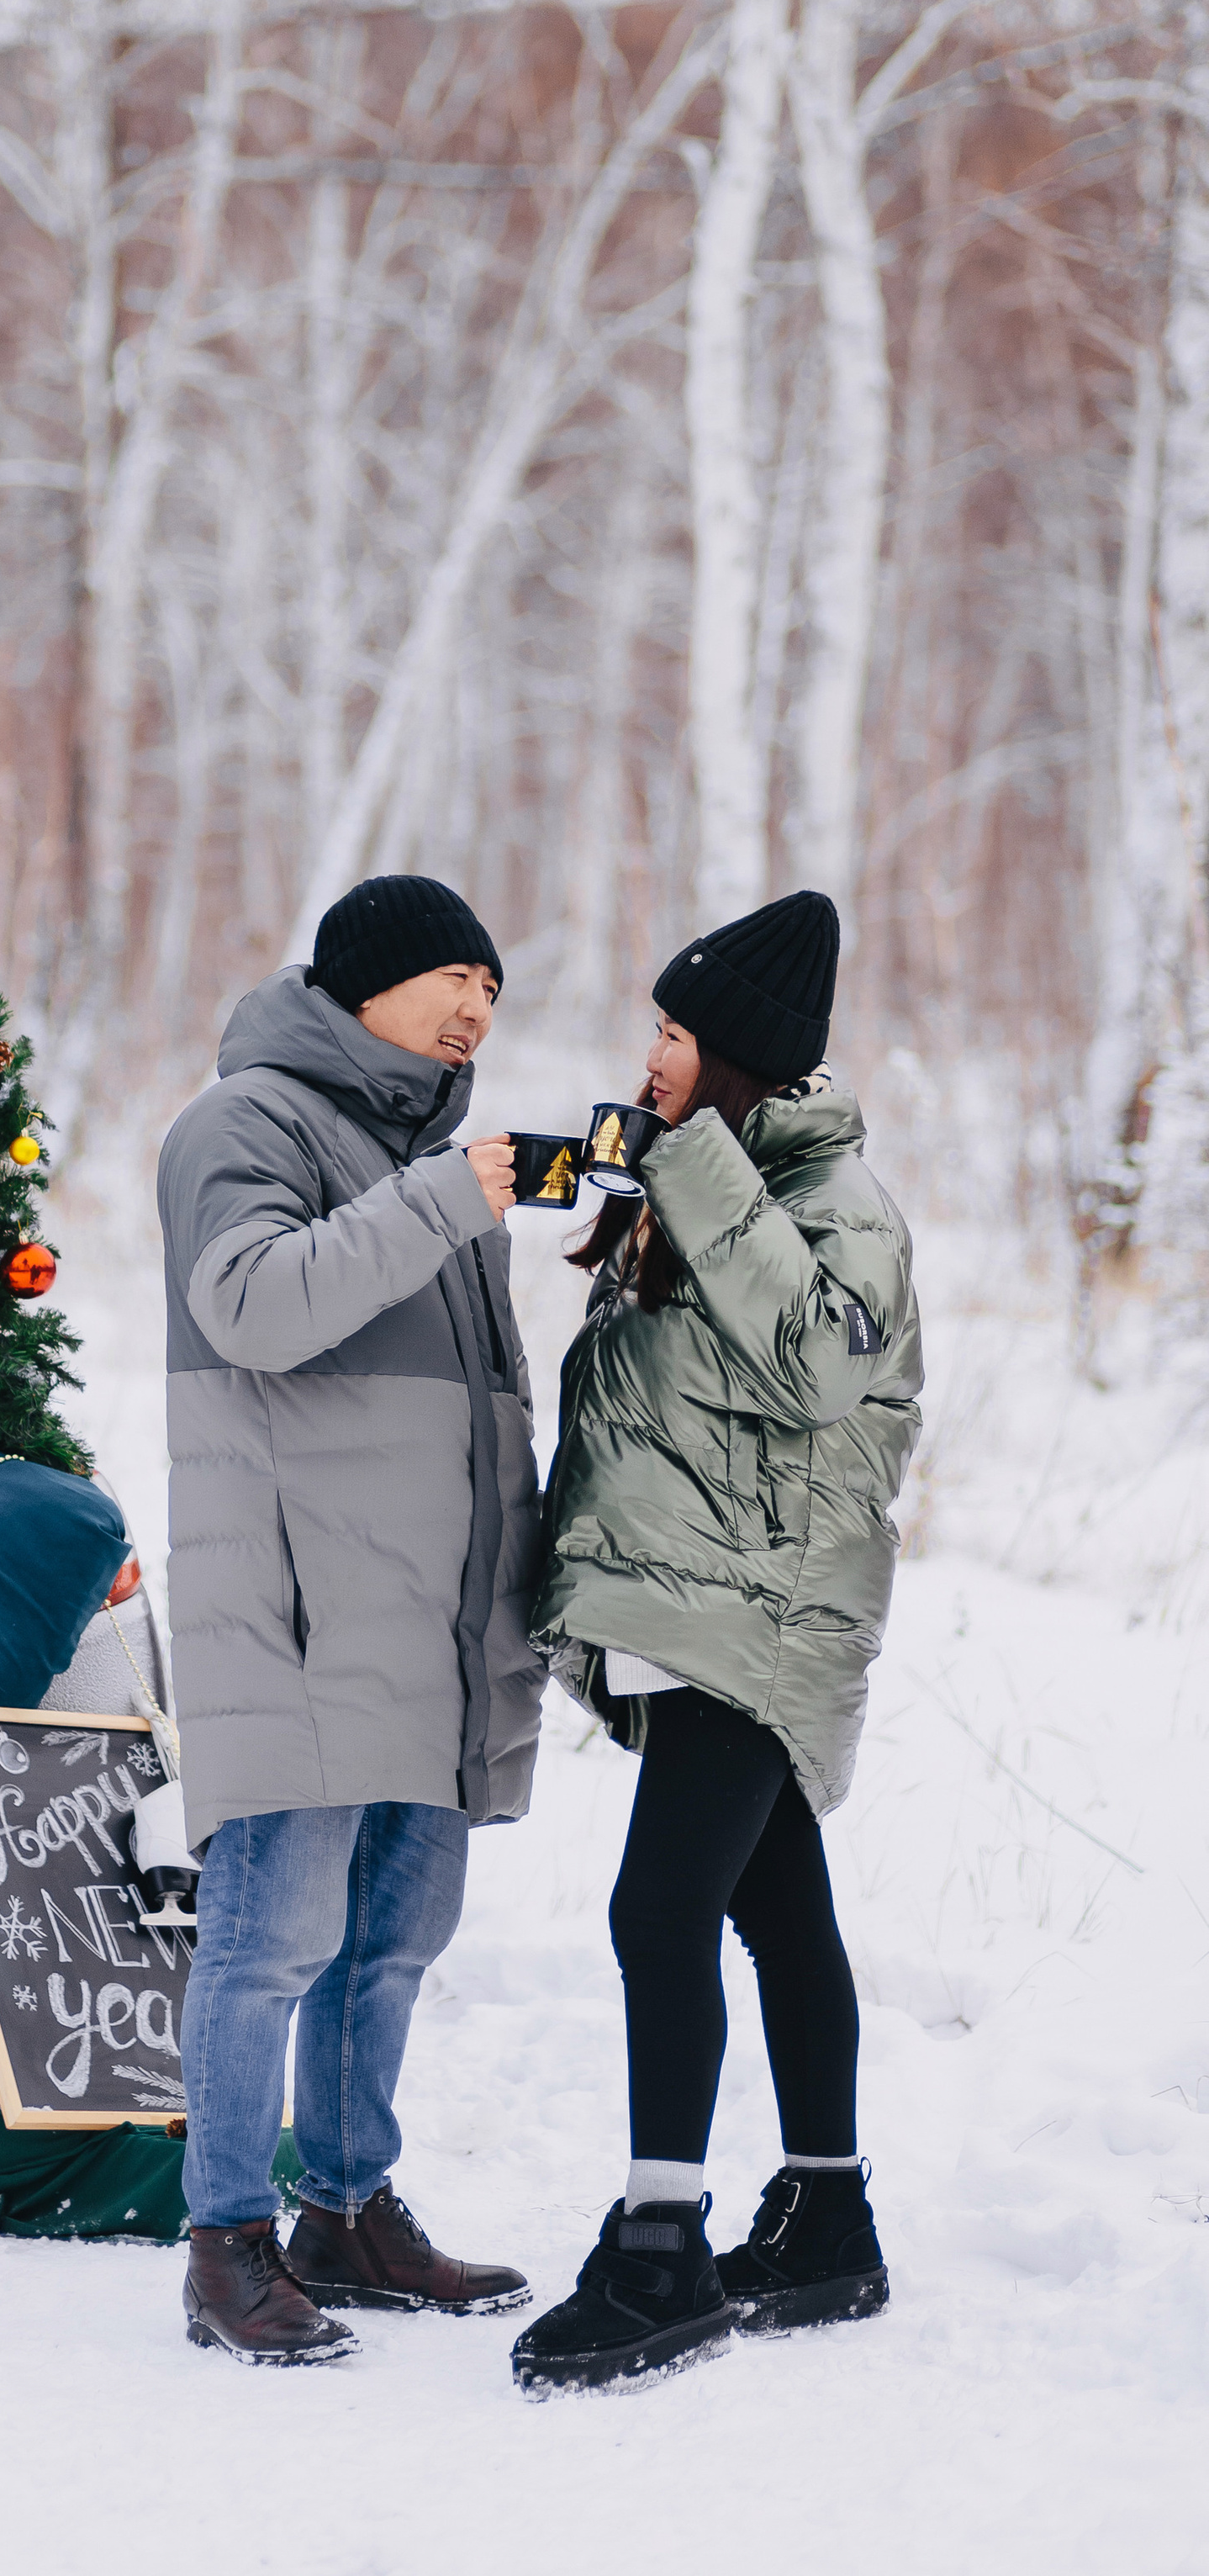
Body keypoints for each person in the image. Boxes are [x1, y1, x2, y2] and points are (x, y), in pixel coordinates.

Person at [510, 890, 923, 2394]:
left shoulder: (837, 1206)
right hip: (693, 1601)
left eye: (675, 1034)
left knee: (655, 1913)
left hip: (753, 1609)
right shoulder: (718, 1172)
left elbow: (818, 1363)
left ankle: (660, 2246)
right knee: (774, 1914)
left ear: (737, 1057)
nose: (652, 1053)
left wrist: (683, 1166)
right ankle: (827, 2215)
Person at [157, 873, 547, 2365]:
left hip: (429, 1618)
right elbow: (253, 1304)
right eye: (454, 977)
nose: (476, 1011)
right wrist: (449, 1199)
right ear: (361, 983)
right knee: (273, 1943)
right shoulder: (241, 1125)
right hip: (303, 1614)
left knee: (394, 1938)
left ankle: (348, 2210)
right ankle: (227, 2244)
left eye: (494, 993)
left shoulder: (427, 1155)